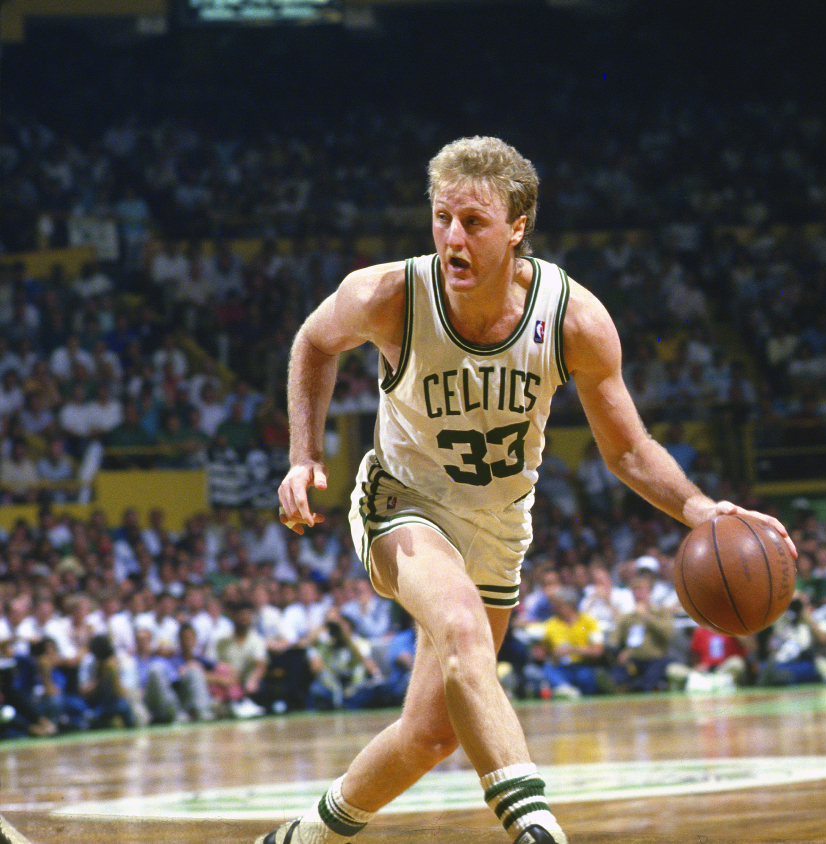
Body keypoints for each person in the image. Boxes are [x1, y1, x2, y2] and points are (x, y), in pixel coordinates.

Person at [270, 136, 793, 844]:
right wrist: (303, 456)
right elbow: (313, 341)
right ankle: (536, 826)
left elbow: (629, 449)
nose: (453, 237)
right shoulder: (390, 295)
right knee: (458, 627)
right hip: (404, 504)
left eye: (474, 223)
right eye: (442, 218)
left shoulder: (573, 319)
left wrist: (702, 509)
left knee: (429, 736)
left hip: (498, 530)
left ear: (517, 227)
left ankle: (303, 838)